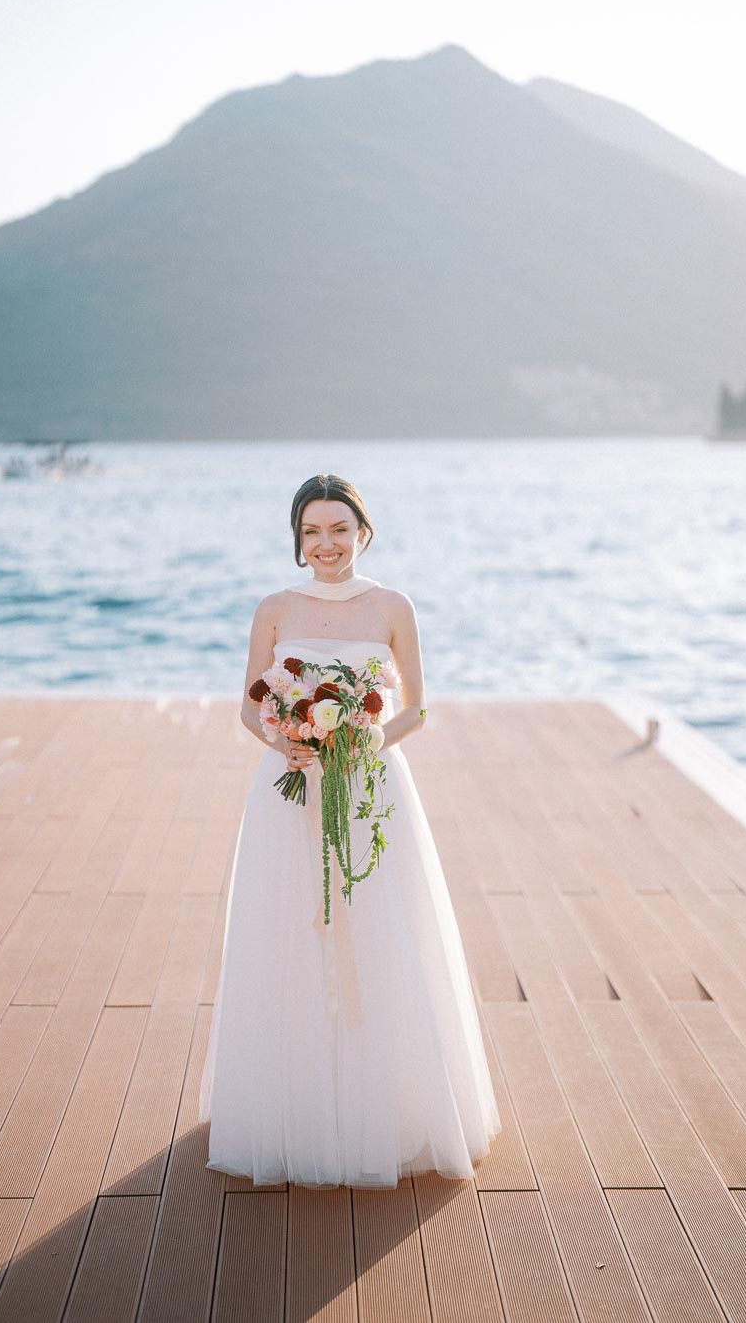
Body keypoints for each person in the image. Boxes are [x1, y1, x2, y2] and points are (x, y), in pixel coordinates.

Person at [200, 473, 502, 1187]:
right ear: (297, 539)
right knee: (290, 934)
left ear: (363, 533)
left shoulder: (394, 606)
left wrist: (359, 747)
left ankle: (389, 1108)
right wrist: (290, 744)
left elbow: (418, 710)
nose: (325, 545)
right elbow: (248, 706)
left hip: (372, 788)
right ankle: (292, 1108)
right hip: (289, 788)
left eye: (339, 530)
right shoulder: (274, 608)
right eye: (312, 532)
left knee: (379, 929)